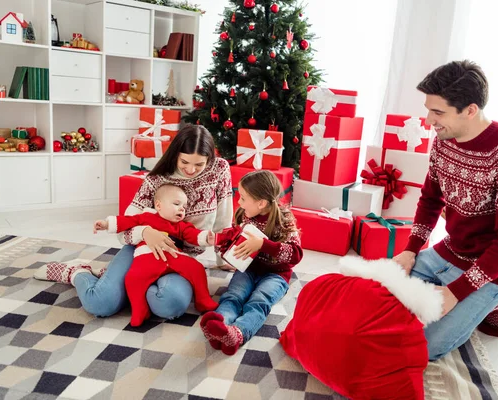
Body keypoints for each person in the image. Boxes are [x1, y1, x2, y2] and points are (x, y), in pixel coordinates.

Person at [391, 60, 498, 360]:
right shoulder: (443, 141)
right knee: (378, 300)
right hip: (448, 252)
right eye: (428, 109)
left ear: (470, 110)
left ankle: (493, 302)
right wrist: (411, 250)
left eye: (438, 112)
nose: (429, 120)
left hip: (496, 268)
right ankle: (464, 297)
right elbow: (431, 200)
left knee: (422, 346)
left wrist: (456, 291)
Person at [34, 125, 233, 321]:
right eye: (185, 162)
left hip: (181, 255)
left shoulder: (219, 170)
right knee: (101, 304)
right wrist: (146, 232)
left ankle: (122, 283)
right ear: (175, 155)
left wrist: (222, 258)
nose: (191, 170)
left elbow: (223, 219)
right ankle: (76, 271)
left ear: (210, 159)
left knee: (169, 306)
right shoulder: (156, 180)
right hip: (141, 249)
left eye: (199, 164)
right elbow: (124, 229)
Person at [200, 170, 303, 355]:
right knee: (234, 295)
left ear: (261, 203)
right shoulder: (244, 214)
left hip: (276, 274)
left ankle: (239, 332)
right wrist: (220, 242)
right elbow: (234, 236)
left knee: (258, 301)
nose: (238, 202)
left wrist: (263, 244)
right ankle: (221, 324)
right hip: (248, 268)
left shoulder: (284, 219)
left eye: (243, 197)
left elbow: (295, 255)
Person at [93, 184, 219, 326]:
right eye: (177, 204)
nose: (182, 209)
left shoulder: (180, 226)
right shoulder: (146, 217)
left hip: (173, 255)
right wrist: (106, 223)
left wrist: (205, 238)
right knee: (133, 279)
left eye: (184, 206)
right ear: (158, 205)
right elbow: (126, 221)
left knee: (196, 268)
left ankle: (203, 299)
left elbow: (193, 234)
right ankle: (140, 310)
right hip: (148, 256)